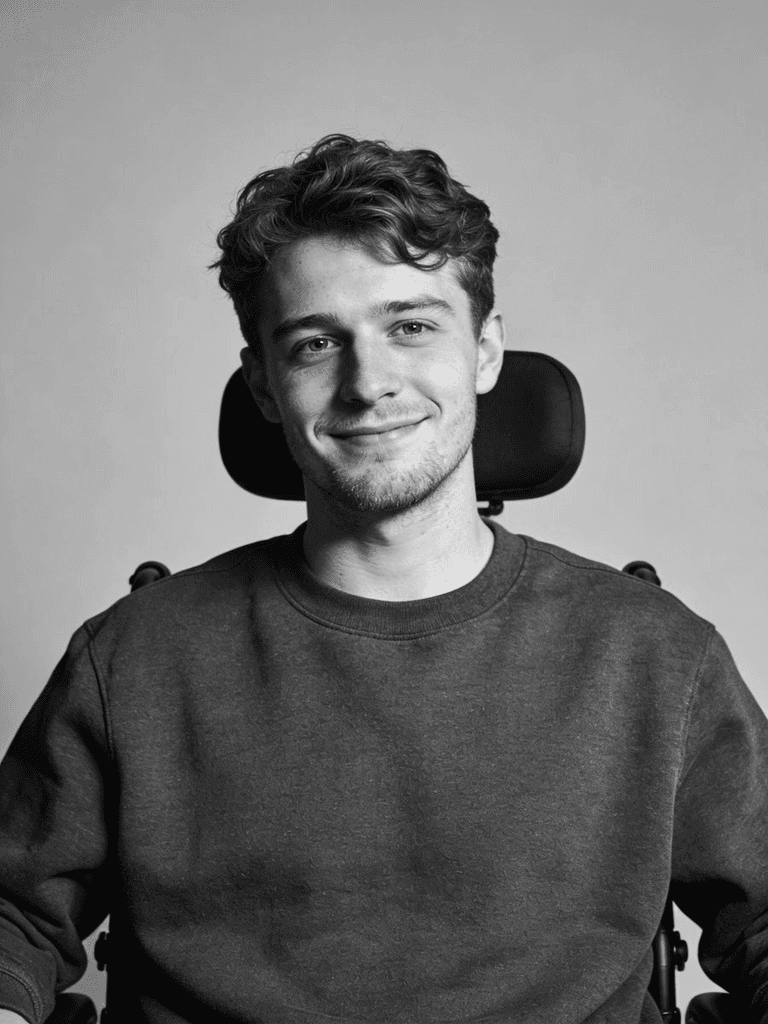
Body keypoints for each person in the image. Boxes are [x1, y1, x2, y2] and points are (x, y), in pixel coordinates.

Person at [1, 134, 767, 1024]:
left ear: (485, 351)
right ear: (260, 384)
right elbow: (11, 922)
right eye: (317, 342)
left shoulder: (654, 655)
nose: (370, 384)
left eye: (411, 326)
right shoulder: (133, 658)